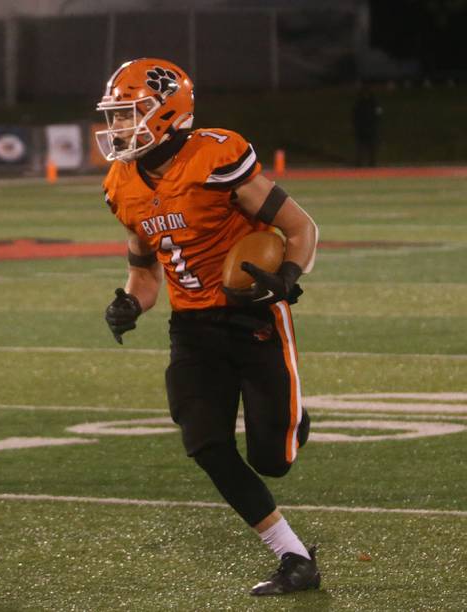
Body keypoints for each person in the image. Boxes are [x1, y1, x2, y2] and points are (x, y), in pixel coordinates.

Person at [95, 58, 320, 596]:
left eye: (131, 114)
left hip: (251, 316)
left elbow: (298, 226)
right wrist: (130, 303)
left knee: (272, 460)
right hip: (192, 326)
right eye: (116, 116)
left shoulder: (215, 156)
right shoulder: (120, 184)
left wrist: (286, 276)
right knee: (205, 442)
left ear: (168, 110)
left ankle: (293, 418)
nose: (119, 127)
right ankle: (293, 557)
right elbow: (144, 270)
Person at [352, 84, 382, 167]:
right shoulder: (359, 103)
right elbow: (355, 116)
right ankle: (359, 163)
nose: (366, 94)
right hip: (361, 129)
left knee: (372, 147)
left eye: (367, 92)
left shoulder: (374, 103)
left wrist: (375, 125)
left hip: (371, 129)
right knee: (360, 148)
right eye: (365, 93)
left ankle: (372, 163)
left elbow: (378, 114)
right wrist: (356, 126)